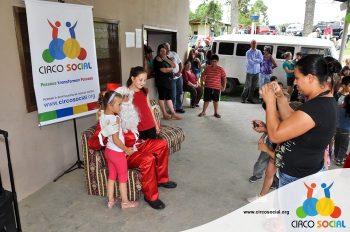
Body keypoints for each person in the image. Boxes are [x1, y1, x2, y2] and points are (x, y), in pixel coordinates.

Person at [260, 54, 341, 187]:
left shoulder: (316, 107)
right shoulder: (323, 101)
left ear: (310, 78)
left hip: (299, 179)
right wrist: (280, 96)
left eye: (297, 78)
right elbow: (293, 120)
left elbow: (275, 135)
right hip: (302, 174)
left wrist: (270, 102)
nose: (295, 82)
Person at [99, 91, 138, 209]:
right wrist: (126, 149)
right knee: (122, 178)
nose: (121, 107)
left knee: (111, 176)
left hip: (109, 152)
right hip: (117, 153)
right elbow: (116, 139)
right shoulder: (114, 119)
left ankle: (110, 200)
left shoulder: (102, 115)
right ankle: (125, 202)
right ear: (110, 105)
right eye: (119, 105)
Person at [153, 44, 181, 120]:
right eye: (161, 51)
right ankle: (165, 114)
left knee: (169, 98)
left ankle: (173, 113)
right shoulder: (157, 59)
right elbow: (163, 70)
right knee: (162, 97)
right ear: (158, 51)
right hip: (161, 81)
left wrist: (166, 60)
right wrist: (171, 69)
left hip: (168, 81)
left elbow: (174, 65)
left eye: (164, 51)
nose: (163, 52)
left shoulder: (166, 58)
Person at [163, 42, 185, 114]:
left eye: (169, 48)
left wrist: (179, 72)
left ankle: (179, 107)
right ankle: (173, 109)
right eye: (167, 48)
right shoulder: (163, 56)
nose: (168, 50)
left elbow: (180, 64)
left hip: (179, 77)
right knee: (173, 94)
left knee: (179, 93)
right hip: (171, 78)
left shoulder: (174, 54)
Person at [241, 40, 263, 104]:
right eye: (253, 43)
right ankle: (243, 99)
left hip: (257, 72)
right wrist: (256, 61)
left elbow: (261, 60)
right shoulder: (248, 52)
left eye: (255, 43)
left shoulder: (259, 52)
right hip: (250, 72)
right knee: (247, 86)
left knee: (253, 87)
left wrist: (254, 60)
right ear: (250, 44)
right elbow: (250, 62)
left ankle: (250, 99)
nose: (254, 44)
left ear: (256, 44)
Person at [334, 94, 350, 166]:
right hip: (346, 131)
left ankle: (336, 156)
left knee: (337, 143)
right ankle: (339, 160)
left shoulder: (339, 108)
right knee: (343, 146)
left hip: (337, 129)